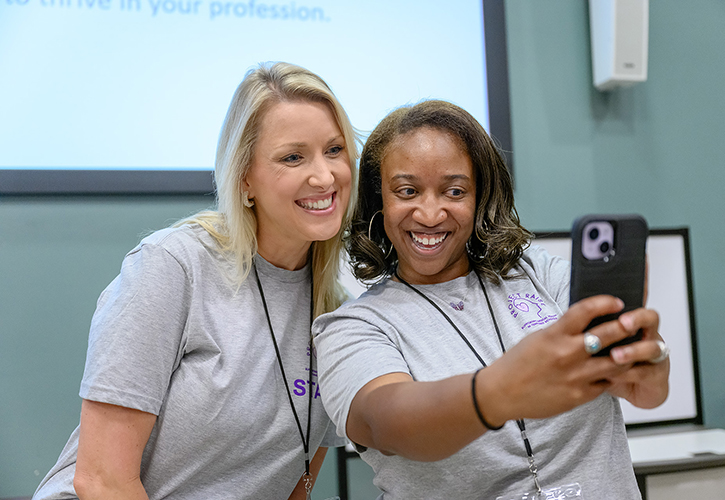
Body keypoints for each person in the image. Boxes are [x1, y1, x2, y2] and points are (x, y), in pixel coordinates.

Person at [313, 100, 669, 499]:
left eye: (454, 190)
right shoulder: (352, 326)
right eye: (407, 191)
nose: (430, 214)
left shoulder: (537, 274)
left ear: (479, 196)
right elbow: (387, 424)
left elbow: (646, 388)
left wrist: (648, 364)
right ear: (380, 200)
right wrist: (501, 390)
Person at [33, 62, 358, 499]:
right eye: (292, 157)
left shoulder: (334, 310)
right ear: (245, 179)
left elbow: (293, 483)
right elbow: (102, 479)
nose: (324, 176)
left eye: (334, 149)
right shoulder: (172, 266)